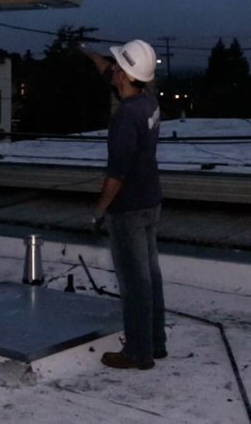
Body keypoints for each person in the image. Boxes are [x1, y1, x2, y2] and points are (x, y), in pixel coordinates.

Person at [80, 39, 167, 370]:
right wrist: (90, 55)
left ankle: (137, 353)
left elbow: (116, 174)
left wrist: (99, 210)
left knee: (135, 284)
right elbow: (111, 72)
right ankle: (156, 343)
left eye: (117, 66)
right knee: (151, 276)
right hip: (151, 201)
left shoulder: (125, 118)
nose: (112, 69)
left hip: (128, 208)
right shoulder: (149, 102)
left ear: (126, 74)